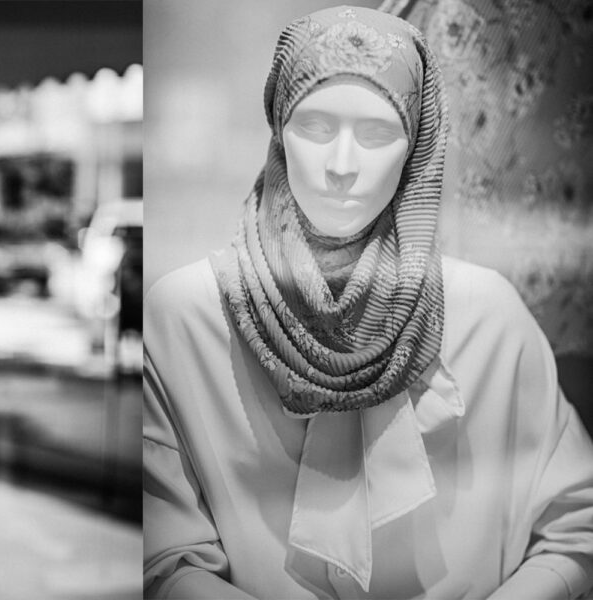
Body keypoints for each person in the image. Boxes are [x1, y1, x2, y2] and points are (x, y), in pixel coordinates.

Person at [143, 6, 593, 600]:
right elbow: (167, 561)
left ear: (416, 148)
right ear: (279, 129)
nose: (342, 166)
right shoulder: (188, 316)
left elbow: (576, 529)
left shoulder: (487, 316)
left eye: (378, 134)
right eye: (316, 126)